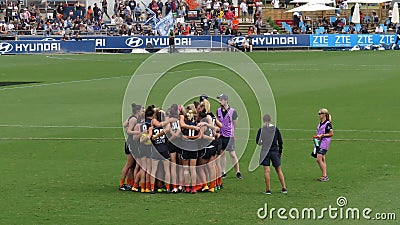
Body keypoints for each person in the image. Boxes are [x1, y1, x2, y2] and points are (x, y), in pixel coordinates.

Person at [256, 114, 287, 194]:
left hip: (265, 151)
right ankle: (284, 187)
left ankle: (268, 189)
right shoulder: (275, 129)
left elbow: (258, 142)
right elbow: (280, 141)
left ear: (263, 120)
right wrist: (280, 151)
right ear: (270, 120)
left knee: (267, 170)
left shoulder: (261, 130)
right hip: (274, 151)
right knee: (278, 169)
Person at [216, 94, 242, 179]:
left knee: (232, 154)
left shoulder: (233, 111)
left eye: (221, 100)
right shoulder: (218, 111)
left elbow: (235, 123)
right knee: (222, 153)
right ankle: (223, 172)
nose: (220, 102)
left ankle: (238, 171)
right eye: (219, 100)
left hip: (229, 136)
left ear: (226, 100)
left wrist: (232, 132)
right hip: (221, 135)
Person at [314, 108, 333, 182]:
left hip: (324, 143)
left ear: (324, 114)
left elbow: (331, 134)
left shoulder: (328, 123)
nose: (318, 115)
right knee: (322, 159)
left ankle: (324, 175)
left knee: (318, 159)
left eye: (320, 113)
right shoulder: (320, 123)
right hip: (318, 142)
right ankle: (324, 175)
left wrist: (322, 135)